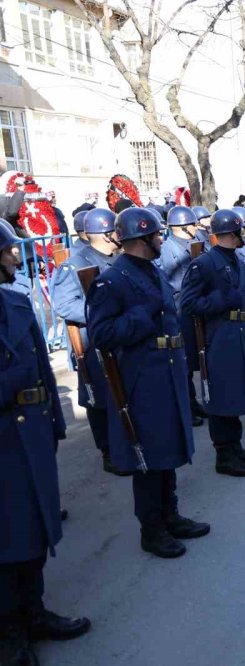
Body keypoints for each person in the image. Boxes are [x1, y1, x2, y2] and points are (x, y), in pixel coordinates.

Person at [86, 207, 210, 559]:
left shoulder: (150, 271)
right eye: (156, 235)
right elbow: (102, 334)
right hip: (141, 379)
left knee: (167, 449)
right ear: (141, 239)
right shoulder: (114, 279)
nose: (161, 239)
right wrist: (142, 317)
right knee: (149, 456)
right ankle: (151, 529)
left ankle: (170, 514)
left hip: (166, 370)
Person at [0, 224, 91, 665]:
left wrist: (56, 424)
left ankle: (34, 612)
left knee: (34, 530)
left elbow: (41, 374)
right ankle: (10, 633)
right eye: (7, 252)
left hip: (30, 435)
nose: (16, 258)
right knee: (5, 540)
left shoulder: (16, 303)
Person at [180, 209, 245, 478]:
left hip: (238, 332)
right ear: (231, 233)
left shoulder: (233, 259)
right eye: (239, 231)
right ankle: (224, 454)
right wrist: (221, 300)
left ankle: (235, 446)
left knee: (235, 392)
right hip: (219, 336)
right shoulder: (204, 263)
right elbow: (188, 304)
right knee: (221, 396)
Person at [50, 207, 127, 476]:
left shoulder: (119, 259)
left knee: (123, 389)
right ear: (106, 234)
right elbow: (65, 304)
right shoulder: (76, 264)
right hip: (91, 340)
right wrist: (103, 309)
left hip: (119, 335)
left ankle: (125, 440)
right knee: (99, 398)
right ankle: (108, 451)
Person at [159, 205, 207, 428]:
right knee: (183, 364)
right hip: (179, 311)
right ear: (182, 227)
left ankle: (195, 402)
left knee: (195, 358)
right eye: (192, 225)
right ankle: (187, 405)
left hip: (195, 307)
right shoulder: (167, 249)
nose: (195, 228)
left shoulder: (196, 243)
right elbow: (170, 281)